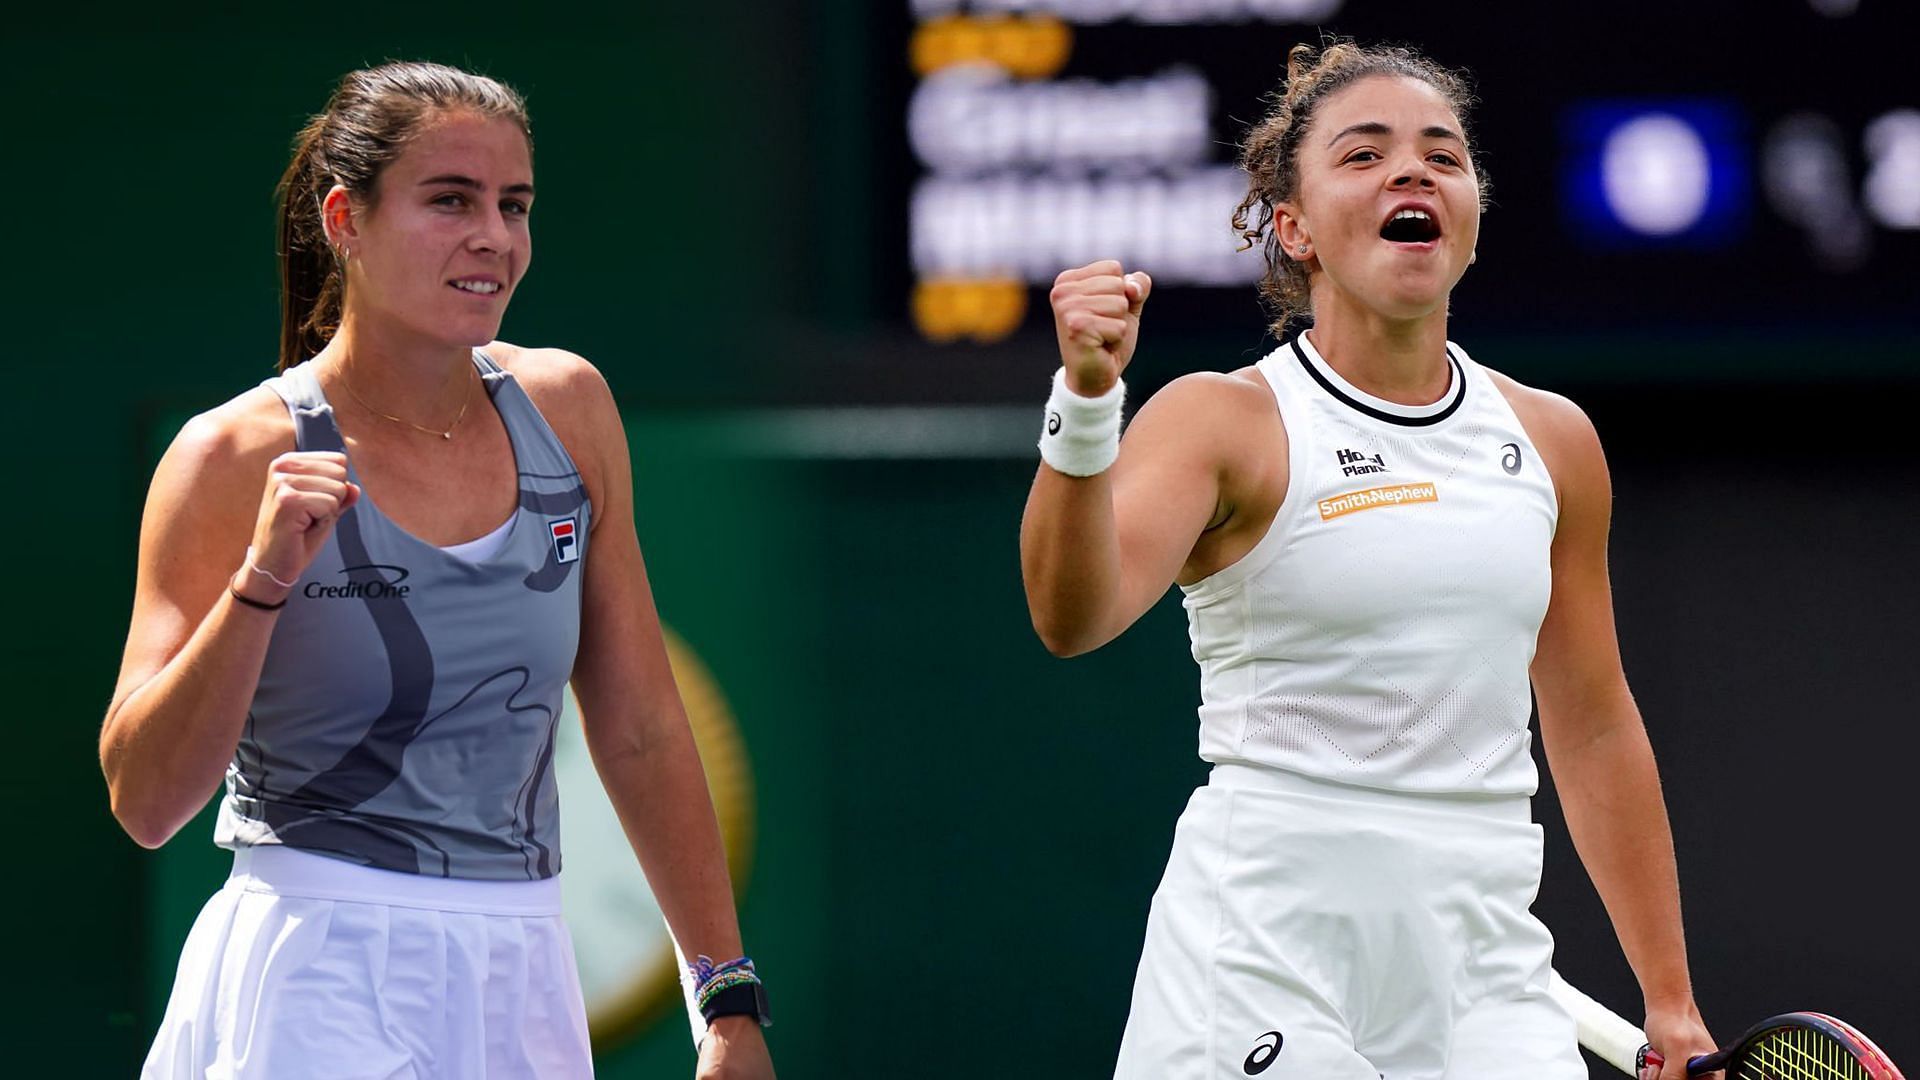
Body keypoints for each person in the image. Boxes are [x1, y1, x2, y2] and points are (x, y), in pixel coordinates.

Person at [1020, 41, 1718, 1080]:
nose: (1412, 172)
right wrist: (1084, 409)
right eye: (1364, 154)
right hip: (1262, 948)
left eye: (1443, 155)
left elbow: (1594, 719)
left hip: (1486, 964)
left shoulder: (1554, 441)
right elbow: (1071, 617)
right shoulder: (1224, 421)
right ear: (1292, 229)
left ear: (1473, 213)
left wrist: (1670, 1000)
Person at [98, 61, 775, 1079]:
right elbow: (145, 803)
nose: (493, 238)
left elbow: (637, 727)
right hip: (314, 971)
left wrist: (724, 1000)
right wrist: (260, 584)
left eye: (515, 206)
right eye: (450, 201)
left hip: (524, 971)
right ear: (345, 220)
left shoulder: (570, 409)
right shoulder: (228, 457)